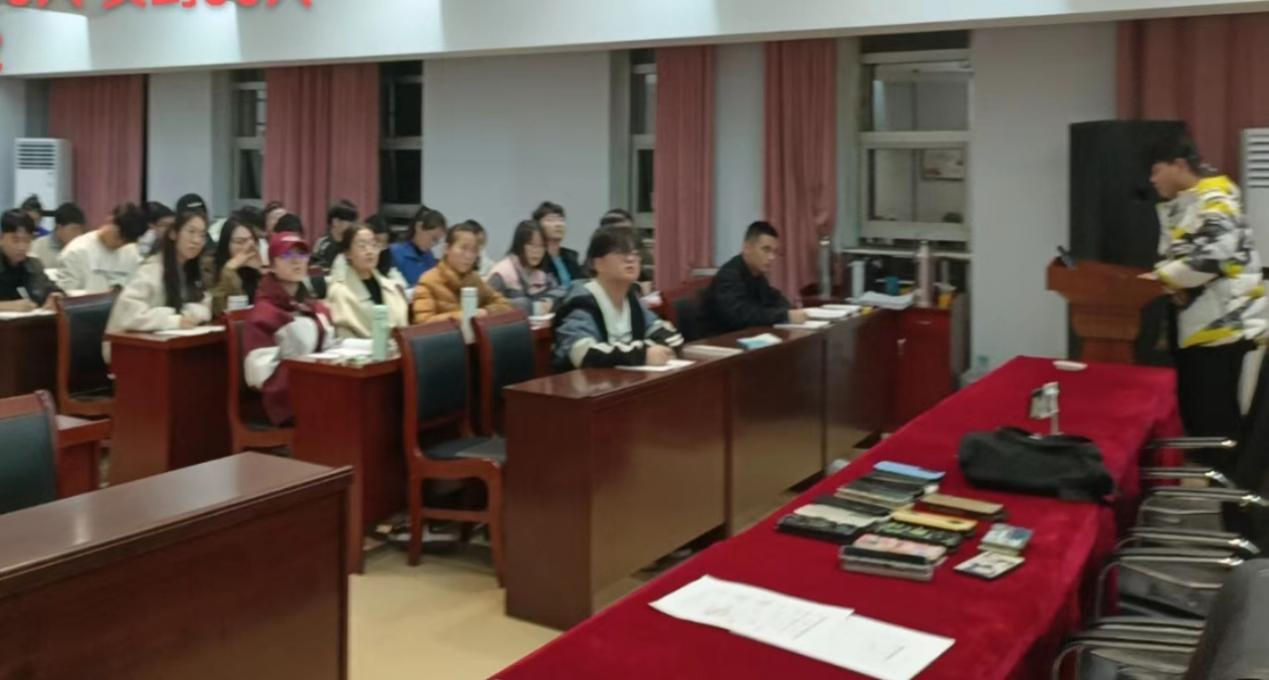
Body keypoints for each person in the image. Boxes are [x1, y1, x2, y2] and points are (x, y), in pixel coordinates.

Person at [1147, 133, 1266, 463]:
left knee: (1216, 419)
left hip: (1223, 329)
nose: (1152, 180)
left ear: (1179, 165)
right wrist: (1171, 279)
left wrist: (1162, 279)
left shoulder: (1215, 198)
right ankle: (1212, 479)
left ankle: (1228, 487)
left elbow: (1212, 257)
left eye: (1156, 170)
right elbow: (1177, 256)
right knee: (1200, 416)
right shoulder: (1187, 202)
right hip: (1201, 325)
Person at [552, 225, 683, 371]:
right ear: (598, 263)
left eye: (635, 253)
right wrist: (642, 354)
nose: (631, 259)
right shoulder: (581, 302)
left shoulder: (632, 299)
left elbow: (672, 338)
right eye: (621, 252)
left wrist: (642, 351)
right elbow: (584, 354)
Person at [242, 232, 335, 426]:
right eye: (286, 255)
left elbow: (331, 347)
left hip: (318, 388)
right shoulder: (263, 315)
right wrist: (311, 377)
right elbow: (261, 377)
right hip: (283, 404)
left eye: (302, 254)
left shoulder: (313, 306)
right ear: (272, 265)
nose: (296, 261)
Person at [104, 210, 212, 361]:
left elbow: (205, 305)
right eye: (191, 232)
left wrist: (187, 313)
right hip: (128, 351)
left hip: (165, 350)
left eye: (202, 235)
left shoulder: (190, 270)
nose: (196, 240)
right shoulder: (151, 270)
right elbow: (128, 316)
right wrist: (174, 319)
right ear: (173, 234)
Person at [699, 221, 809, 335]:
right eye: (766, 250)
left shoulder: (757, 275)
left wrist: (790, 310)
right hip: (718, 340)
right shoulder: (729, 275)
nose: (772, 257)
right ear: (747, 248)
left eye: (774, 252)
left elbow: (774, 299)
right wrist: (785, 315)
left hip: (744, 336)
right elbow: (743, 316)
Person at [411, 222, 512, 323]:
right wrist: (462, 316)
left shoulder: (474, 279)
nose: (469, 256)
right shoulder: (429, 280)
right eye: (463, 248)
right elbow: (423, 322)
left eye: (474, 250)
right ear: (446, 249)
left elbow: (505, 306)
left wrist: (486, 311)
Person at [327, 224, 410, 339]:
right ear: (347, 253)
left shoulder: (391, 287)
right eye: (362, 246)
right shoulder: (339, 291)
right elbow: (345, 337)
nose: (369, 251)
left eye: (374, 245)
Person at [55, 202, 146, 292]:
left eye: (125, 242)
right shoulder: (75, 253)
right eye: (118, 237)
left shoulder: (132, 252)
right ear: (111, 220)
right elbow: (65, 296)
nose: (119, 244)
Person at [486, 219, 564, 314]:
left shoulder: (542, 274)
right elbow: (488, 305)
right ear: (520, 245)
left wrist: (549, 301)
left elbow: (559, 293)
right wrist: (530, 307)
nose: (537, 251)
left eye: (541, 246)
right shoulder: (502, 273)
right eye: (531, 245)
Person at [0, 209, 62, 311]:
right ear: (1, 238)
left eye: (27, 240)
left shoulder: (33, 265)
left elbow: (53, 291)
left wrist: (55, 298)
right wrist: (9, 306)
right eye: (16, 240)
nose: (22, 247)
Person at [203, 216, 263, 317]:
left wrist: (261, 272)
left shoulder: (257, 268)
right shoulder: (210, 268)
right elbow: (217, 311)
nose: (247, 247)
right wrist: (229, 271)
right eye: (240, 242)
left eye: (251, 241)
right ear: (226, 244)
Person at [331, 214, 407, 289]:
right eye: (376, 242)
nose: (370, 251)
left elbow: (398, 280)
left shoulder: (386, 255)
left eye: (385, 243)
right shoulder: (341, 261)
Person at [391, 206, 446, 287]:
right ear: (419, 227)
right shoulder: (394, 253)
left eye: (437, 241)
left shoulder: (429, 257)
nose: (434, 244)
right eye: (433, 238)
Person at [534, 201, 583, 287]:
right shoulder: (536, 258)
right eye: (551, 220)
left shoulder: (571, 257)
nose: (558, 224)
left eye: (561, 220)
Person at [30, 202, 86, 268]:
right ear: (59, 228)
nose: (79, 235)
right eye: (74, 230)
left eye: (81, 231)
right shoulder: (36, 248)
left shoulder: (82, 251)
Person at [312, 199, 358, 270]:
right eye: (349, 220)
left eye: (353, 221)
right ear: (335, 221)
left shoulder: (354, 242)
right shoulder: (323, 244)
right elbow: (315, 268)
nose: (353, 225)